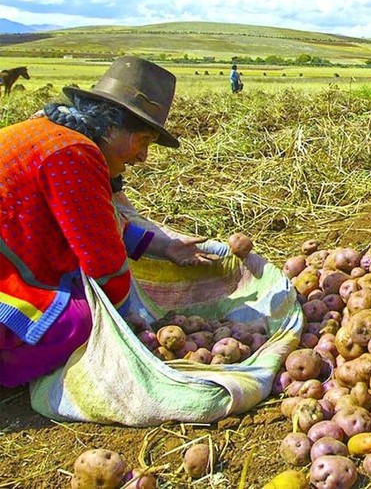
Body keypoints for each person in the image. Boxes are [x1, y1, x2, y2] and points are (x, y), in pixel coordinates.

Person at [0, 56, 218, 387]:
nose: (144, 156)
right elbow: (103, 263)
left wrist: (166, 247)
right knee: (83, 320)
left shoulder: (56, 134)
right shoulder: (73, 153)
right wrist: (130, 324)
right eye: (143, 140)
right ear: (111, 125)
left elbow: (95, 224)